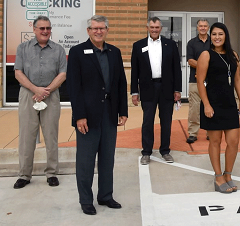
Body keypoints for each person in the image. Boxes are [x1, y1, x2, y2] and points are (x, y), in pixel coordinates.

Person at [67, 15, 128, 215]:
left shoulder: (115, 52)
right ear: (88, 31)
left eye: (102, 28)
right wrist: (79, 116)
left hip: (109, 114)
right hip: (87, 116)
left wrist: (123, 111)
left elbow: (120, 83)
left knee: (107, 158)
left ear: (107, 30)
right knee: (85, 160)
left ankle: (105, 196)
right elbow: (74, 87)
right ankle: (86, 200)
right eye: (94, 28)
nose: (98, 31)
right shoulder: (77, 53)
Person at [13, 16, 66, 189]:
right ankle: (24, 175)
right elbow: (18, 72)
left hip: (51, 95)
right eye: (42, 28)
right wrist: (36, 90)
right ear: (34, 29)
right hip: (28, 94)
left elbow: (63, 74)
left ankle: (51, 173)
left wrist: (47, 90)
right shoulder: (23, 48)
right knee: (27, 136)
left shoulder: (58, 49)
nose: (45, 31)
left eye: (48, 28)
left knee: (51, 135)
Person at [196, 22, 240, 193]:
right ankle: (218, 177)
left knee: (233, 142)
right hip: (213, 104)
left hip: (229, 103)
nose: (217, 37)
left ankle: (228, 174)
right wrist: (207, 105)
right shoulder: (206, 55)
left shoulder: (233, 55)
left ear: (226, 36)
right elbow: (200, 81)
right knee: (215, 142)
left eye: (221, 34)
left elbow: (237, 79)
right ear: (211, 37)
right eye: (214, 34)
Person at [130, 17, 181, 165]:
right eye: (152, 27)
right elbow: (135, 71)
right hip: (147, 89)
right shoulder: (138, 45)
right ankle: (146, 152)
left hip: (166, 88)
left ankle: (165, 151)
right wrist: (134, 92)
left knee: (166, 122)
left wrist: (177, 90)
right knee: (147, 122)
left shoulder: (170, 45)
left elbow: (176, 69)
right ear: (147, 27)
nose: (154, 30)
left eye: (157, 27)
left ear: (161, 28)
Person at [186, 18, 211, 144]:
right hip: (195, 80)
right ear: (197, 28)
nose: (203, 28)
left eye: (205, 26)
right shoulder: (191, 43)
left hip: (212, 81)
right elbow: (190, 61)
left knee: (210, 106)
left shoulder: (214, 42)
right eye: (200, 26)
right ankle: (193, 133)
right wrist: (205, 67)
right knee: (194, 108)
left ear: (208, 28)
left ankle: (210, 132)